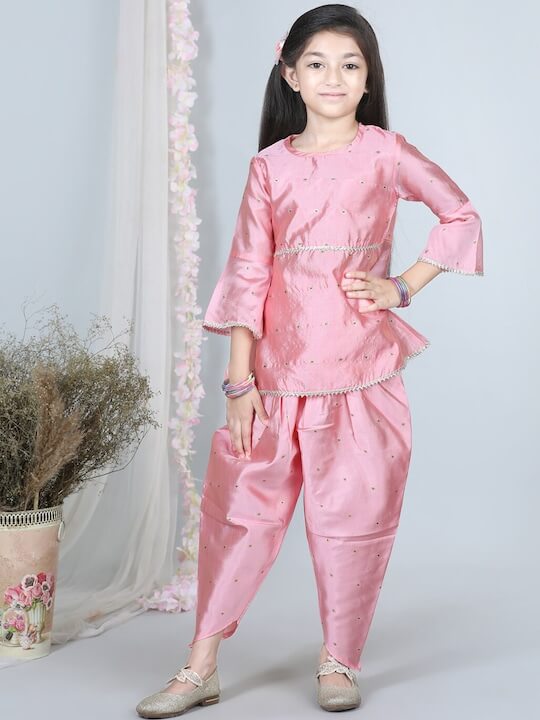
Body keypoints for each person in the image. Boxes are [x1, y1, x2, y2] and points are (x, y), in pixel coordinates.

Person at [136, 3, 483, 717]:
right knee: (240, 519)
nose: (334, 77)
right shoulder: (269, 167)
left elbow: (460, 213)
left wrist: (402, 287)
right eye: (317, 63)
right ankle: (200, 665)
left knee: (352, 521)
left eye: (350, 65)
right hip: (274, 380)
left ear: (368, 78)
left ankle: (339, 660)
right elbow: (248, 273)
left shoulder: (386, 152)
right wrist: (239, 381)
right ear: (291, 74)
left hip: (362, 374)